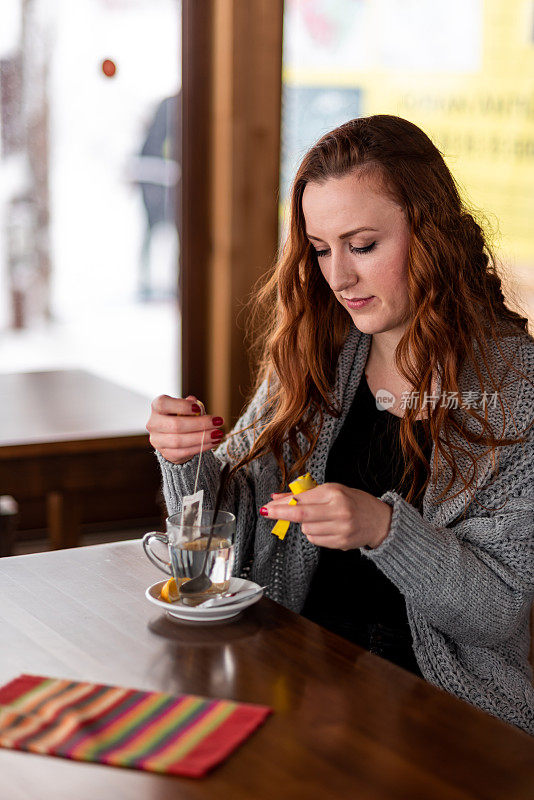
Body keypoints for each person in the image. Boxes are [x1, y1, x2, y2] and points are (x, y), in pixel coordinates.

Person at [146, 115, 534, 735]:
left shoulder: (517, 387)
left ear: (430, 232)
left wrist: (383, 528)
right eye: (321, 249)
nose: (339, 278)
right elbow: (233, 546)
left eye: (363, 245)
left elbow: (500, 613)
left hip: (447, 717)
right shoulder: (317, 354)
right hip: (297, 673)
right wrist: (187, 460)